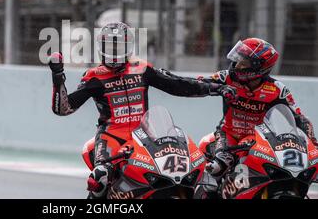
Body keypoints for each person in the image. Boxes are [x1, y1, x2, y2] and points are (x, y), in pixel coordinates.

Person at [48, 22, 238, 198]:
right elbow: (63, 108)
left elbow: (178, 85)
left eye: (119, 48)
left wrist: (216, 89)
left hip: (145, 135)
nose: (115, 53)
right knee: (100, 178)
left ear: (128, 47)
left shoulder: (142, 68)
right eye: (110, 48)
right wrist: (58, 77)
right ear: (101, 49)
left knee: (184, 171)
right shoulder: (93, 77)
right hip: (111, 137)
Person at [198, 38, 318, 181]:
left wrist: (314, 146)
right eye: (239, 58)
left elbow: (300, 118)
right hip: (226, 134)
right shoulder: (226, 77)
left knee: (244, 163)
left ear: (259, 67)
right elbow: (198, 84)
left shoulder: (277, 89)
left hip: (256, 139)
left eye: (244, 61)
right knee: (211, 157)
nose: (238, 64)